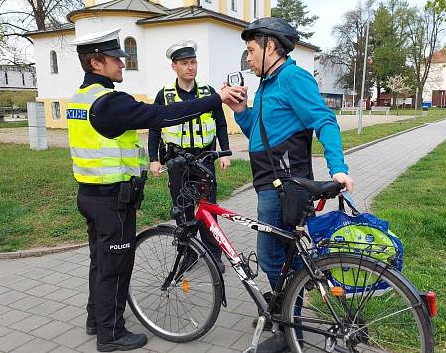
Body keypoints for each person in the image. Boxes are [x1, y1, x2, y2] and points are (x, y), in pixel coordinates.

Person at [67, 28, 244, 352]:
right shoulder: (108, 103)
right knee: (116, 267)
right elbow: (159, 116)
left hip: (89, 195)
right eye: (115, 59)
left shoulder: (79, 99)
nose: (122, 64)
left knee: (99, 262)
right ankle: (112, 335)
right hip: (112, 200)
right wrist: (217, 99)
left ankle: (97, 319)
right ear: (95, 62)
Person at [227, 18, 355, 353]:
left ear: (271, 47)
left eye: (251, 50)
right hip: (270, 183)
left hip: (284, 185)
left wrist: (338, 169)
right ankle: (302, 297)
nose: (248, 58)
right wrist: (241, 110)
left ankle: (290, 324)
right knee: (283, 258)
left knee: (272, 259)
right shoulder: (269, 83)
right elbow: (259, 130)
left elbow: (324, 119)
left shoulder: (293, 77)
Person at [148, 40, 230, 273]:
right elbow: (154, 129)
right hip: (177, 162)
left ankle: (214, 255)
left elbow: (221, 124)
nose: (190, 67)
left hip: (204, 160)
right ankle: (188, 254)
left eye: (193, 62)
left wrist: (224, 153)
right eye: (184, 63)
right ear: (174, 66)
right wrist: (154, 159)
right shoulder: (164, 95)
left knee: (208, 209)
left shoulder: (209, 93)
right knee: (182, 210)